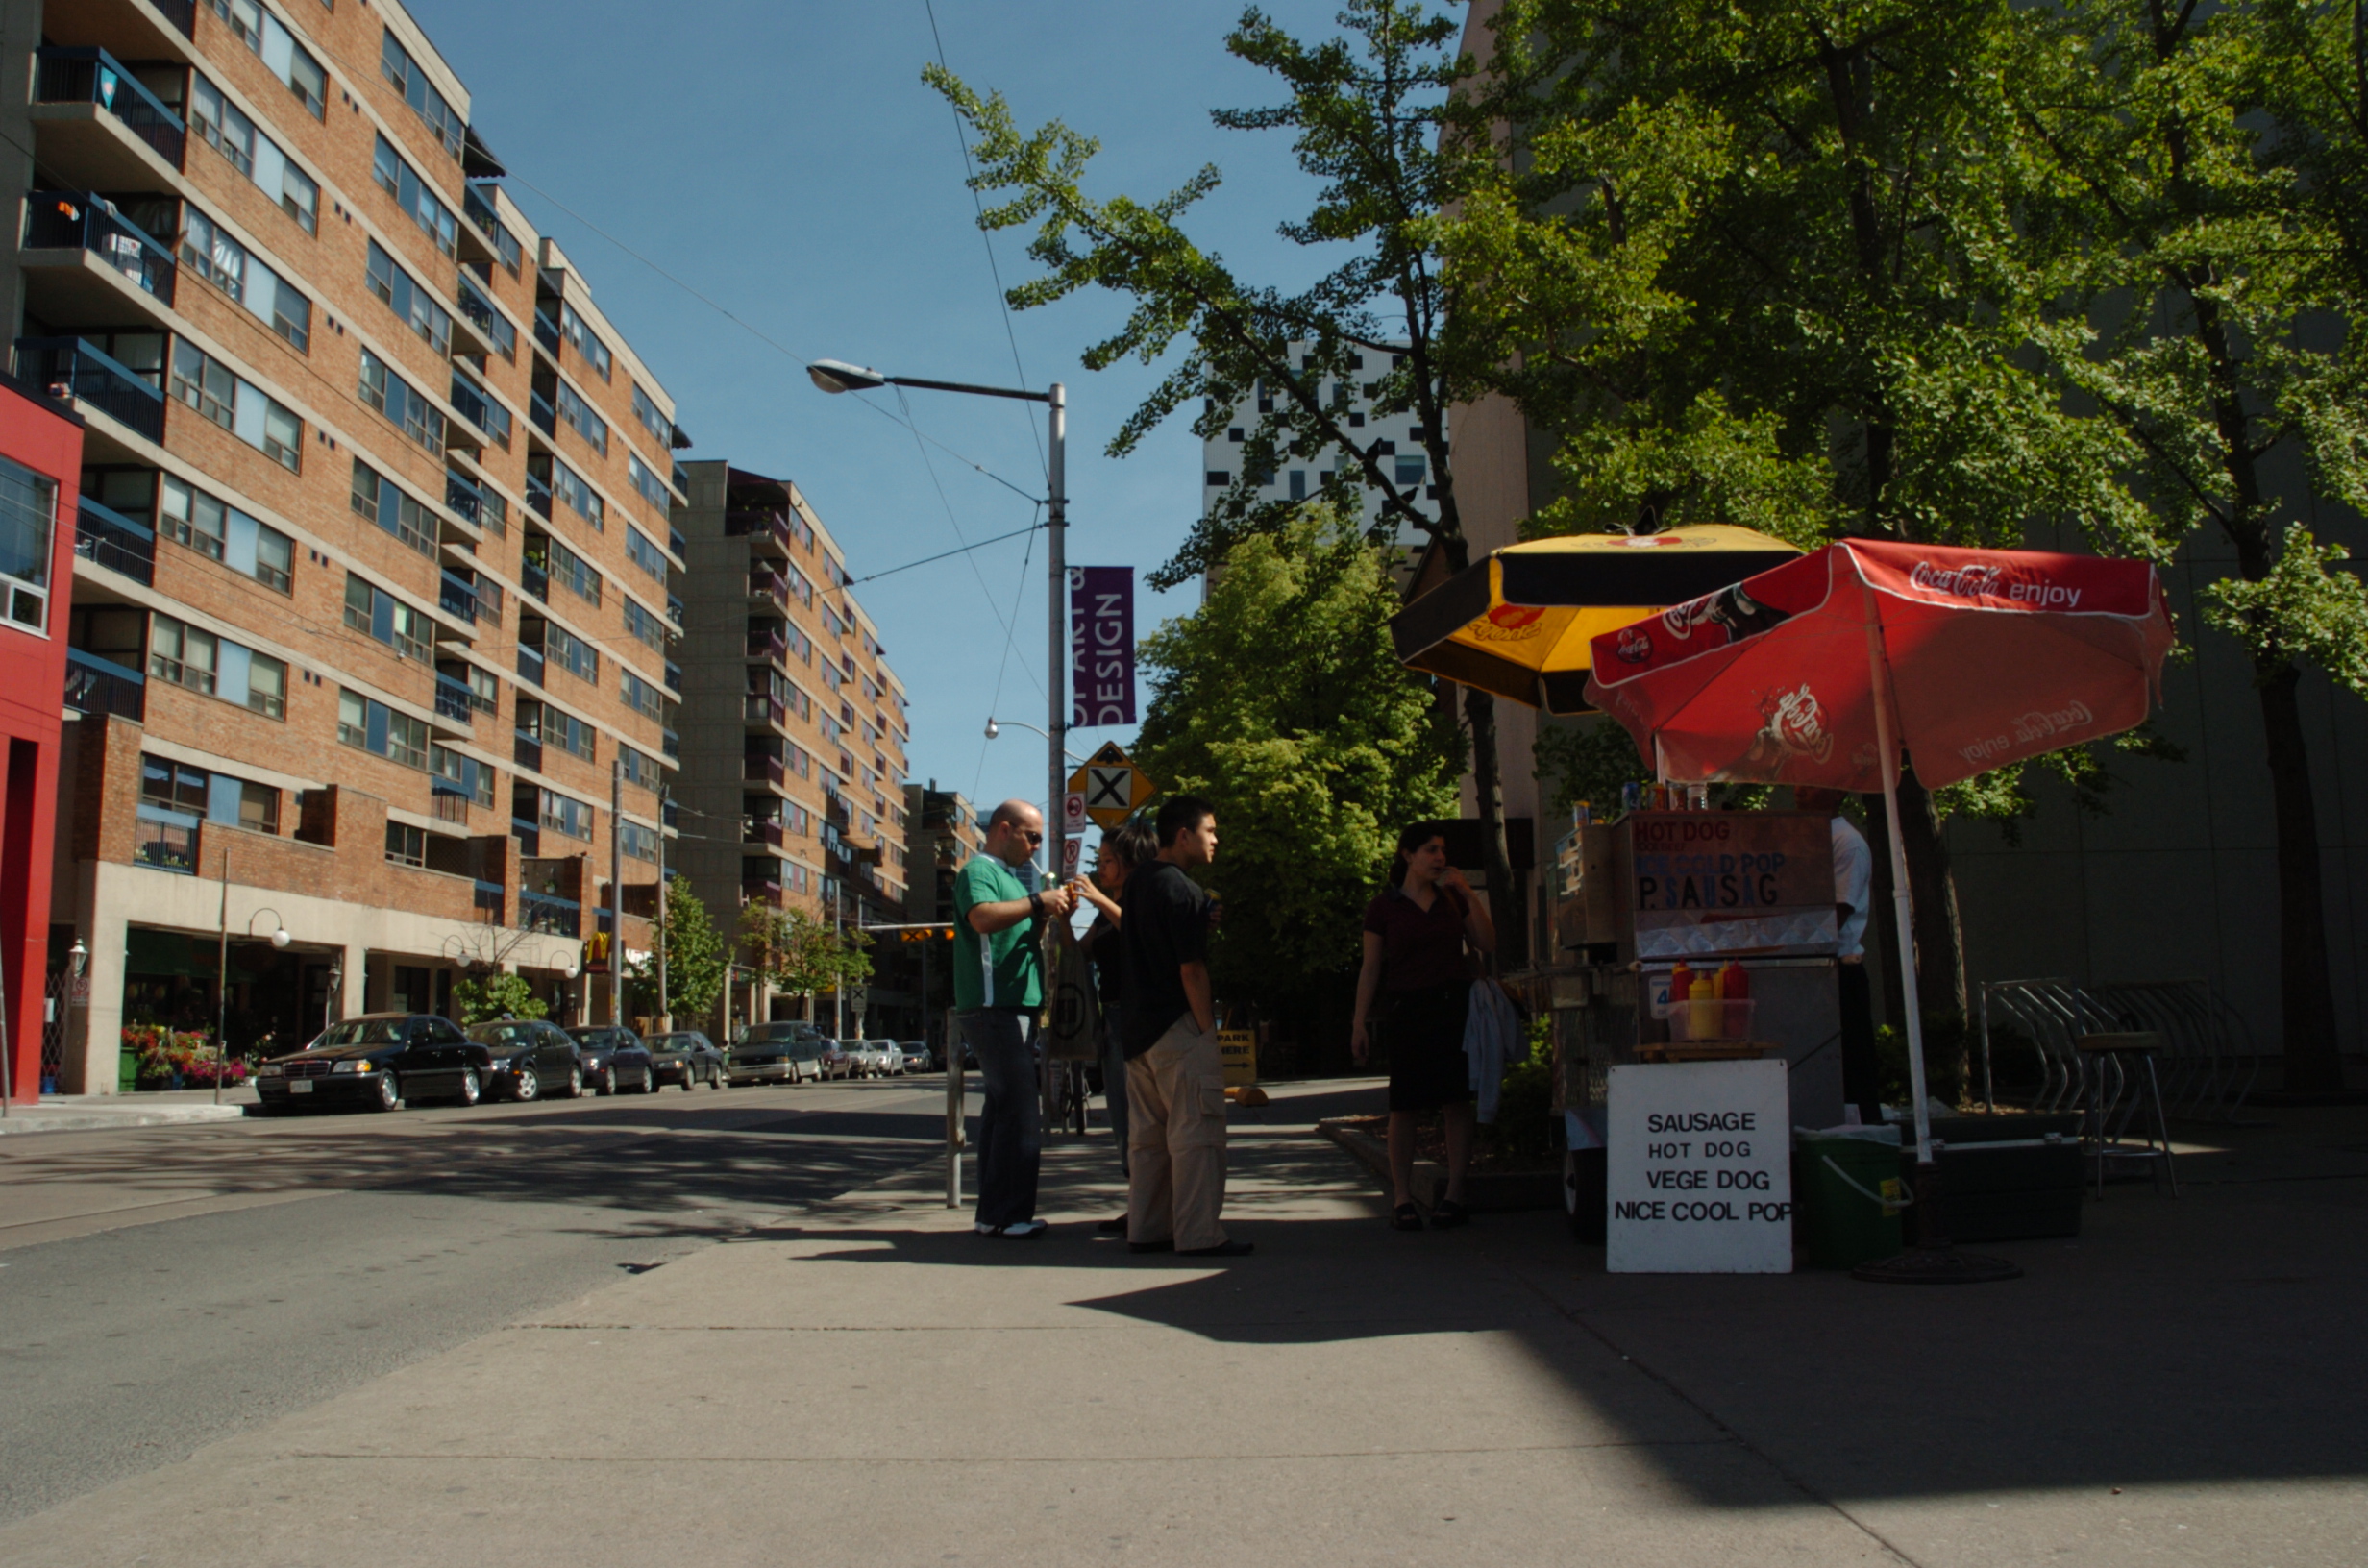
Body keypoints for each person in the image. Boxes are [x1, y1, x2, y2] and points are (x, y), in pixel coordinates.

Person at [1119, 795, 1251, 1258]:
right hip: (1178, 1027)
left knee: (1148, 1141)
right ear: (1183, 835)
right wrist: (1205, 1030)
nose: (1215, 840)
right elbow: (1191, 969)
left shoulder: (1138, 882)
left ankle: (1148, 1229)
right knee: (1198, 1135)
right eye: (1209, 831)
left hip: (1137, 1031)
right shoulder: (1185, 891)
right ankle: (1199, 1236)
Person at [1350, 822, 1495, 1231]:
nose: (1440, 858)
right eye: (1431, 850)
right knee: (1405, 1105)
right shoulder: (1383, 907)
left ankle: (1454, 1194)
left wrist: (1468, 893)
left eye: (1442, 850)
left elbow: (1487, 943)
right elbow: (1370, 968)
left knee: (1456, 1101)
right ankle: (1401, 1198)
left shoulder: (1452, 899)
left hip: (1453, 1008)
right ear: (1408, 855)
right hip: (1408, 1010)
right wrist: (1358, 1022)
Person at [952, 799, 1075, 1238]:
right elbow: (982, 918)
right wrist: (1036, 900)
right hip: (993, 1008)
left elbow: (1021, 937)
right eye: (1032, 836)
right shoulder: (979, 871)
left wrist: (1042, 913)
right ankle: (1009, 1215)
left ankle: (993, 1214)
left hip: (1012, 1006)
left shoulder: (1007, 877)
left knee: (1002, 1110)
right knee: (1021, 1111)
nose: (1036, 846)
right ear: (1004, 829)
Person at [1073, 820, 1158, 1234]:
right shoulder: (1104, 913)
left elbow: (1142, 933)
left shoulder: (1145, 901)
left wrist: (1098, 899)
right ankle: (1138, 1200)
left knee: (1142, 1114)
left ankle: (1151, 1205)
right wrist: (1063, 919)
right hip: (1111, 1018)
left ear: (1130, 862)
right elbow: (1081, 952)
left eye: (1108, 860)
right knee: (1121, 1114)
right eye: (1101, 860)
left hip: (1139, 1015)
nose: (1100, 868)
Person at [1796, 786, 1881, 1125]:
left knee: (1851, 1061)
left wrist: (1782, 938)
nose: (1800, 792)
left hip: (1839, 969)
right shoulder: (1800, 839)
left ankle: (1862, 1131)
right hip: (1807, 967)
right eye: (1798, 784)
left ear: (1835, 794)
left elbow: (1839, 911)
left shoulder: (1847, 843)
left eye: (1810, 785)